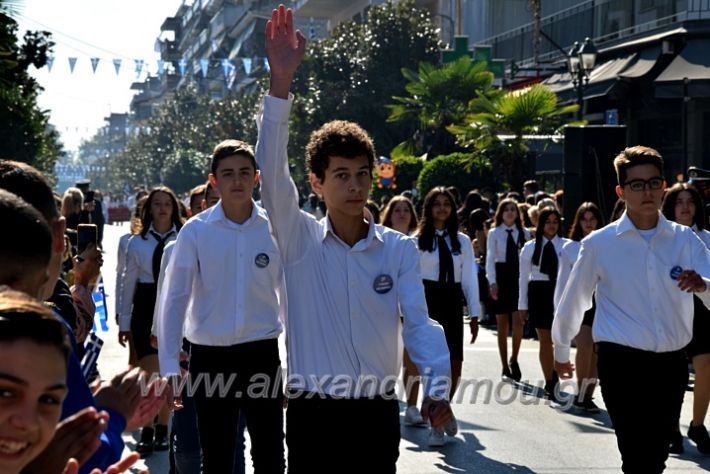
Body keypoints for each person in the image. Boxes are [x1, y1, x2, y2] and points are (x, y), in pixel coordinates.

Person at [257, 5, 452, 471]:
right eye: (341, 175)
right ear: (317, 183)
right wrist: (280, 82)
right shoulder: (297, 237)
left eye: (362, 174)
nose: (355, 186)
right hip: (312, 413)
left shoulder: (399, 249)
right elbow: (270, 170)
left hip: (375, 413)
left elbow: (421, 326)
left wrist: (436, 388)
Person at [553, 146, 710, 473]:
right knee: (637, 457)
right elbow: (575, 299)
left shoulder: (686, 241)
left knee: (656, 457)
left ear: (664, 185)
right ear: (621, 192)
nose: (647, 192)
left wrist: (703, 285)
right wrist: (560, 350)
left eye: (653, 182)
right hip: (620, 362)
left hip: (670, 364)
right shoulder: (599, 243)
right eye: (637, 185)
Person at [158, 140, 285, 473]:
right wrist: (170, 366)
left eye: (245, 173)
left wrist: (297, 365)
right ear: (214, 181)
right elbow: (174, 300)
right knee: (216, 455)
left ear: (257, 177)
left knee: (271, 453)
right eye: (228, 174)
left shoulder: (274, 230)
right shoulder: (196, 232)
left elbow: (289, 300)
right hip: (211, 358)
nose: (237, 181)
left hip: (262, 355)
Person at [415, 186, 481, 445]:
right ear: (428, 208)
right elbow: (410, 281)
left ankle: (444, 409)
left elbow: (469, 280)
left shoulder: (462, 242)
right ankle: (436, 425)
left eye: (446, 204)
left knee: (454, 364)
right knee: (433, 367)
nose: (442, 208)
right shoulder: (416, 240)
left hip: (452, 302)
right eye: (436, 204)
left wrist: (475, 313)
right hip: (427, 302)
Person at [118, 186, 182, 454]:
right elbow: (127, 283)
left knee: (170, 371)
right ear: (149, 209)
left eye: (168, 203)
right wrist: (124, 323)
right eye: (157, 203)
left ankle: (162, 428)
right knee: (148, 370)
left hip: (175, 303)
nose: (163, 208)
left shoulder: (185, 237)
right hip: (145, 305)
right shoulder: (137, 242)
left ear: (175, 207)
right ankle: (146, 426)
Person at [661, 183, 710, 454]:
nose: (685, 206)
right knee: (673, 375)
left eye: (690, 201)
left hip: (702, 311)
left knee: (706, 367)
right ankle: (670, 428)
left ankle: (698, 425)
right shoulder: (663, 239)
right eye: (679, 201)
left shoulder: (707, 238)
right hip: (671, 311)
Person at [553, 202, 604, 413]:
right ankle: (581, 395)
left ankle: (588, 395)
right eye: (584, 219)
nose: (588, 223)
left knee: (596, 351)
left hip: (601, 305)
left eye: (592, 219)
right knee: (584, 346)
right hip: (578, 304)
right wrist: (559, 312)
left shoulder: (605, 244)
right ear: (578, 221)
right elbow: (562, 282)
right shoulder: (570, 248)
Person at [381, 196, 426, 427]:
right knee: (388, 358)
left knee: (412, 360)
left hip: (410, 309)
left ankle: (411, 405)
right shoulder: (380, 242)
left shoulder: (420, 242)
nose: (401, 214)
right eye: (396, 209)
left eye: (405, 210)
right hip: (385, 310)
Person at [519, 207, 568, 401]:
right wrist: (522, 305)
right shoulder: (530, 247)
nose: (552, 226)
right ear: (541, 224)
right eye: (548, 222)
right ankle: (550, 381)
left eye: (555, 222)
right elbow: (523, 278)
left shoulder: (567, 246)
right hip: (538, 293)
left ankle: (555, 371)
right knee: (545, 339)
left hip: (559, 293)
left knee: (559, 339)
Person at [486, 198, 531, 381]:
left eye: (513, 209)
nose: (510, 213)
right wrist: (492, 282)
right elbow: (489, 259)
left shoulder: (525, 233)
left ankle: (514, 359)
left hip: (518, 277)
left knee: (518, 321)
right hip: (501, 276)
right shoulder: (494, 233)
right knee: (502, 324)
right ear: (500, 213)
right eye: (506, 210)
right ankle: (504, 364)